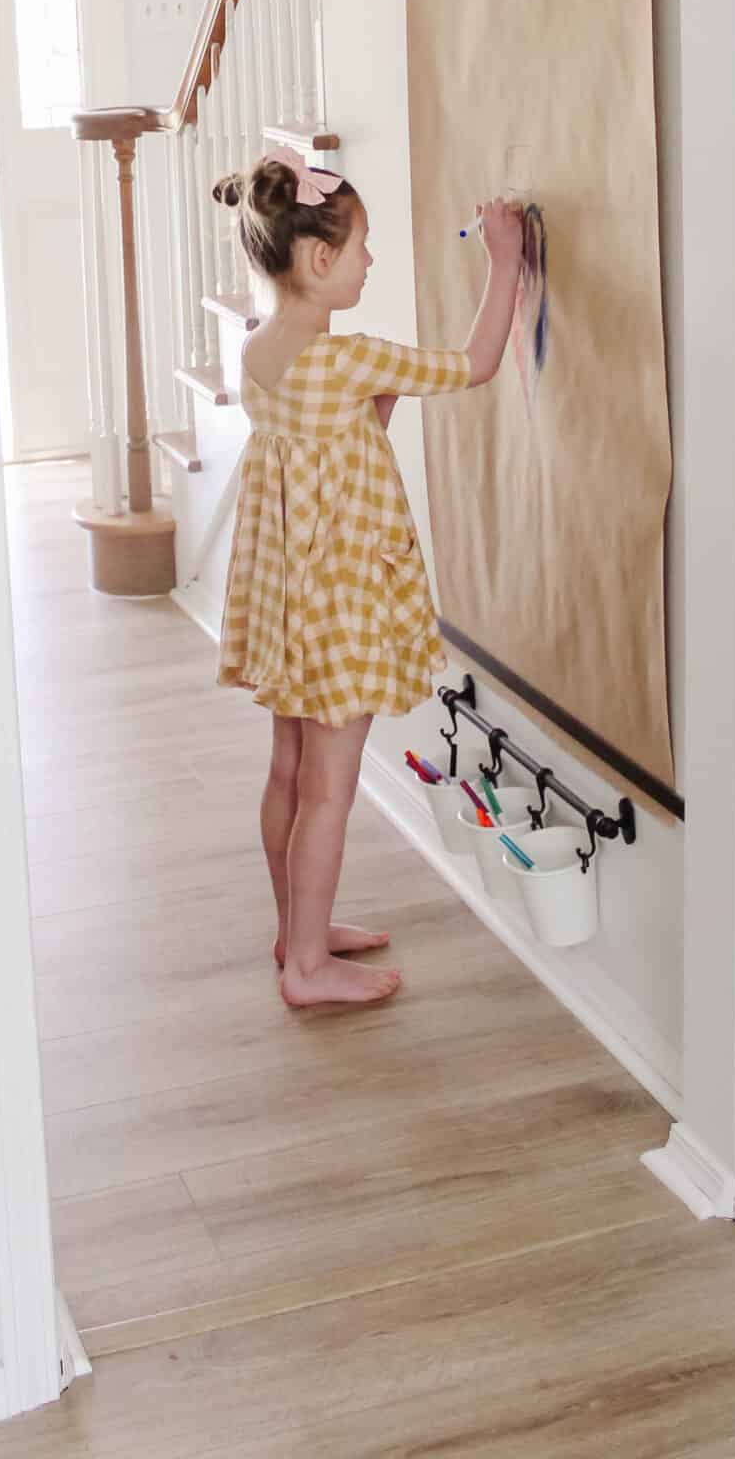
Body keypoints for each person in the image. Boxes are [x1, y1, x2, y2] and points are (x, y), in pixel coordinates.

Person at [212, 149, 525, 1008]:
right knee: (328, 792)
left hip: (285, 597)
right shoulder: (344, 359)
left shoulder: (257, 353)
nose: (370, 261)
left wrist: (372, 411)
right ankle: (308, 971)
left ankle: (295, 934)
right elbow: (477, 364)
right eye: (361, 247)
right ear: (318, 259)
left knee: (288, 769)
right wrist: (504, 263)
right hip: (338, 601)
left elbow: (340, 442)